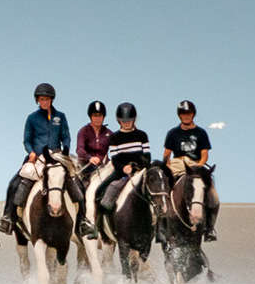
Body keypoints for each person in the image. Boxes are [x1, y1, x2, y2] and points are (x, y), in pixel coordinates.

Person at [0, 82, 89, 236]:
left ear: (52, 99)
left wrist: (65, 151)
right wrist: (31, 151)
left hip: (58, 157)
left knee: (77, 183)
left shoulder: (60, 116)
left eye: (46, 99)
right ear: (37, 100)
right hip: (37, 157)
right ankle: (8, 218)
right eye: (41, 99)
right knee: (15, 183)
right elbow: (26, 140)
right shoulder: (32, 118)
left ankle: (83, 221)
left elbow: (66, 137)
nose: (44, 102)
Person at [86, 102, 150, 233]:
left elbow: (147, 156)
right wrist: (124, 168)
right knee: (100, 190)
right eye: (123, 121)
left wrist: (138, 167)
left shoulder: (142, 135)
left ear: (134, 119)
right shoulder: (114, 137)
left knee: (159, 190)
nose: (126, 123)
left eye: (129, 120)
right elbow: (115, 159)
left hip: (140, 171)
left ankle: (161, 228)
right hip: (121, 172)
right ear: (118, 120)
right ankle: (97, 226)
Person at [162, 99, 219, 240]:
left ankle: (209, 228)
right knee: (163, 191)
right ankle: (161, 227)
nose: (186, 116)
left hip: (196, 165)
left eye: (188, 113)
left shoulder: (201, 133)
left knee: (213, 195)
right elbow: (166, 154)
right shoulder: (173, 133)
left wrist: (198, 166)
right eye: (183, 114)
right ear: (179, 115)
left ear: (193, 114)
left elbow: (205, 155)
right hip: (178, 164)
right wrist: (168, 167)